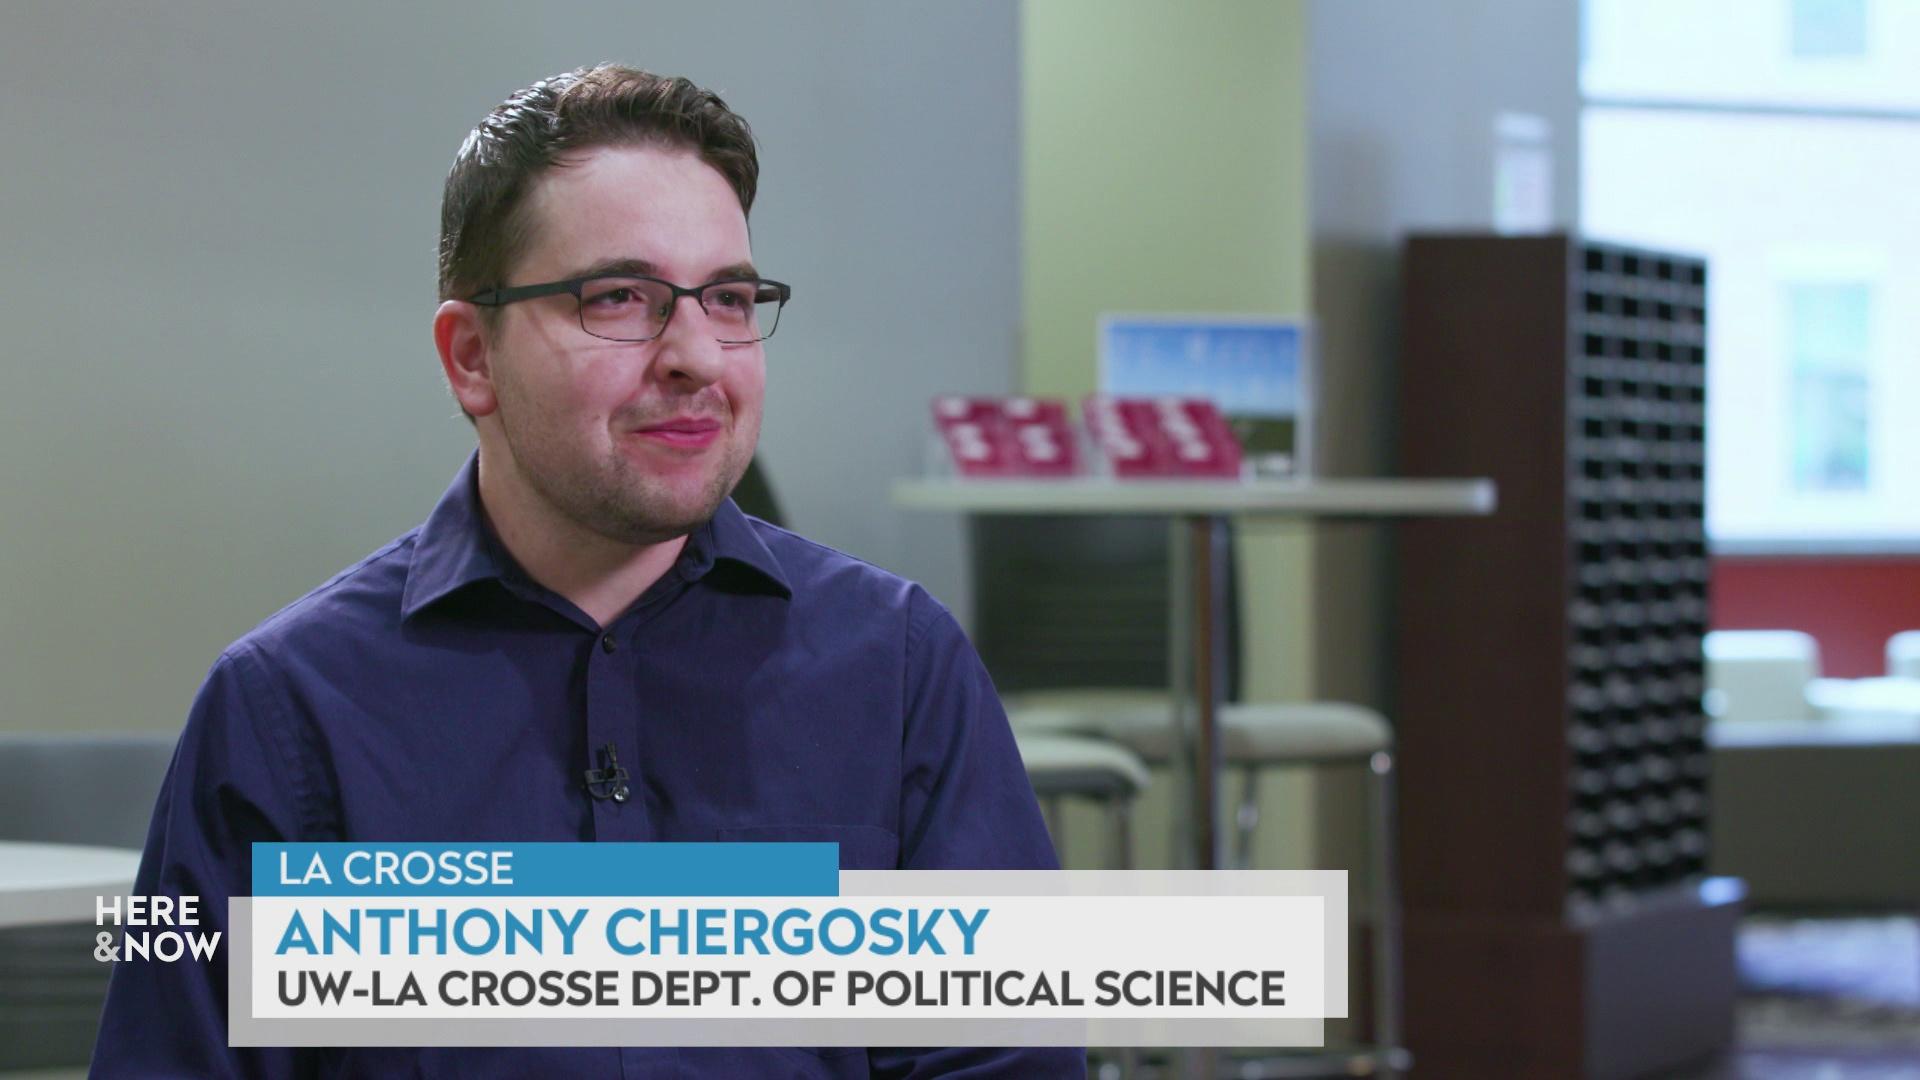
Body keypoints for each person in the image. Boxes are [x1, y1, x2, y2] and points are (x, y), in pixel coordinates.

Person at [92, 63, 1081, 1078]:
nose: (697, 353)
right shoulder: (288, 711)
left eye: (730, 299)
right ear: (472, 356)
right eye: (622, 297)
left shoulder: (898, 669)